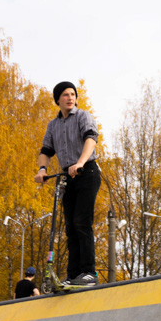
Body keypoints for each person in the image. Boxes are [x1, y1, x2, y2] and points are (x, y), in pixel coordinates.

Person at [35, 82, 101, 287]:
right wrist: (42, 170)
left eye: (73, 94)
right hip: (67, 177)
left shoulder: (83, 116)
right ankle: (73, 275)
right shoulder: (53, 125)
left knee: (82, 222)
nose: (70, 98)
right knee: (71, 227)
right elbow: (46, 151)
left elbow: (91, 139)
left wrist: (80, 162)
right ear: (57, 99)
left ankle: (89, 272)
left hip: (86, 172)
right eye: (65, 95)